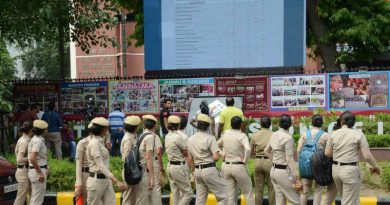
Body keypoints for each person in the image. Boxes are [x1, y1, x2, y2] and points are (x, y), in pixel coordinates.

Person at [325, 111, 380, 205]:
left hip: (336, 171)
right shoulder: (358, 134)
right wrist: (376, 166)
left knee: (348, 199)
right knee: (349, 202)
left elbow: (327, 153)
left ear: (342, 121)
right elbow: (367, 156)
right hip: (350, 171)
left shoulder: (333, 134)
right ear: (353, 123)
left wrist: (340, 156)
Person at [187, 114, 227, 205]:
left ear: (197, 125)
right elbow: (216, 157)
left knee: (200, 200)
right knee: (223, 196)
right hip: (209, 169)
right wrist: (207, 161)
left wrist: (194, 171)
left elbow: (189, 159)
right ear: (208, 126)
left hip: (197, 171)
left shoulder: (190, 139)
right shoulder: (210, 138)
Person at [86, 117, 127, 205]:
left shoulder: (100, 141)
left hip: (106, 180)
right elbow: (100, 166)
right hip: (96, 181)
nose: (108, 131)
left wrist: (107, 140)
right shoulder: (94, 143)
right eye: (107, 128)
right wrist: (116, 181)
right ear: (104, 129)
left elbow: (108, 135)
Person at [265, 114, 302, 205]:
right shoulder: (288, 138)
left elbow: (266, 151)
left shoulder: (274, 134)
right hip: (283, 172)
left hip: (274, 171)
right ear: (290, 124)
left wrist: (275, 161)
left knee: (280, 200)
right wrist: (297, 178)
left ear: (279, 124)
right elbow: (289, 159)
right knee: (295, 201)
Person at [218, 116, 254, 205]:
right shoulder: (242, 136)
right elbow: (248, 149)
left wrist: (223, 154)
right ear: (241, 124)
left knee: (230, 195)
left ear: (231, 124)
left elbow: (216, 145)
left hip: (226, 166)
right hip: (239, 166)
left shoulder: (225, 135)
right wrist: (245, 160)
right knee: (248, 193)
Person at [297, 114, 329, 205]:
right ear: (322, 123)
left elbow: (299, 150)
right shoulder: (326, 135)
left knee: (305, 189)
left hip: (306, 165)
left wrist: (301, 163)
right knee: (318, 190)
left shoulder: (305, 134)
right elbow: (329, 152)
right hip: (320, 167)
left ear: (312, 123)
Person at [165, 115, 193, 205]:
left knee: (175, 193)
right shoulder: (180, 137)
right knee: (188, 193)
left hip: (170, 166)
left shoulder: (168, 135)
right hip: (179, 167)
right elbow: (186, 153)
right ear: (178, 125)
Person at [250, 115, 275, 205]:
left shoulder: (255, 135)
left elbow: (252, 151)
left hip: (258, 162)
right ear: (270, 124)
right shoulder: (273, 134)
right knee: (272, 188)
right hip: (269, 161)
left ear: (260, 124)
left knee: (258, 188)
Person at [134, 115, 159, 205]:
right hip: (145, 171)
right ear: (155, 126)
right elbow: (148, 157)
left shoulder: (142, 136)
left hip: (140, 169)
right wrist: (151, 177)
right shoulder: (150, 137)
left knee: (144, 199)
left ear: (144, 126)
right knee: (142, 200)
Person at [120, 116, 141, 205]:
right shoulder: (128, 139)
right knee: (128, 198)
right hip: (130, 171)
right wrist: (130, 173)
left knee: (133, 198)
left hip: (132, 170)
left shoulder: (133, 136)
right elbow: (126, 158)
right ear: (136, 127)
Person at [28, 120, 49, 205]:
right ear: (44, 130)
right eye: (46, 128)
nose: (47, 130)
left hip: (37, 170)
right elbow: (32, 158)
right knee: (37, 200)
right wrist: (40, 173)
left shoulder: (37, 139)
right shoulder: (38, 141)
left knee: (35, 198)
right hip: (37, 172)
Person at [14, 121, 33, 205]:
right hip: (23, 171)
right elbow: (19, 159)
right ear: (31, 130)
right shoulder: (25, 142)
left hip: (25, 170)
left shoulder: (24, 139)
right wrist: (32, 158)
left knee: (32, 194)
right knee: (21, 198)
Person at [74, 123, 93, 205]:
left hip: (96, 175)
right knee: (83, 201)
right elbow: (78, 164)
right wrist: (79, 183)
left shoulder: (101, 142)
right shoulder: (82, 143)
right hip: (85, 174)